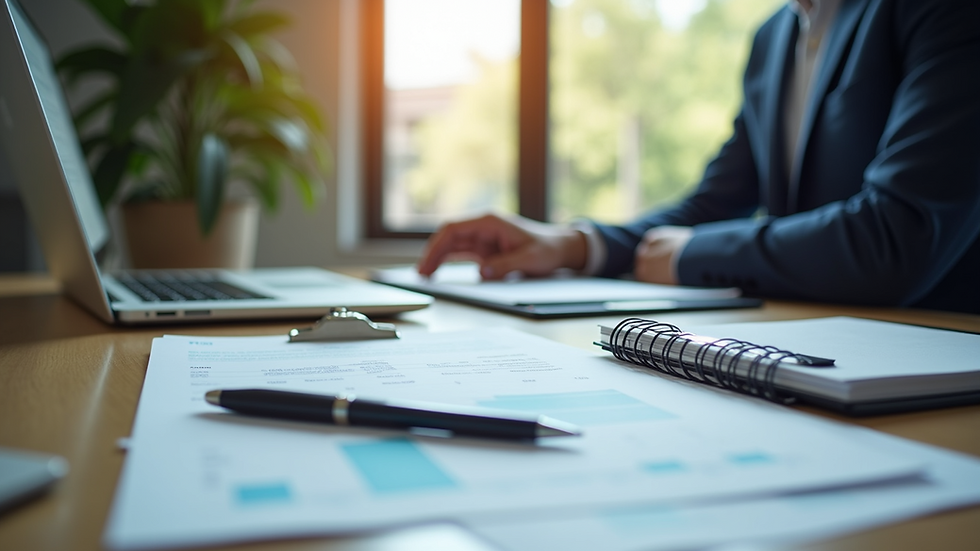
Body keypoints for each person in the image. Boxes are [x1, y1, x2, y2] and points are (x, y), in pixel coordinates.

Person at [417, 0, 980, 314]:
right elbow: (717, 203)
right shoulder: (774, 37)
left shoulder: (942, 14)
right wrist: (572, 244)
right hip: (819, 346)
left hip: (941, 360)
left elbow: (899, 237)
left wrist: (691, 256)